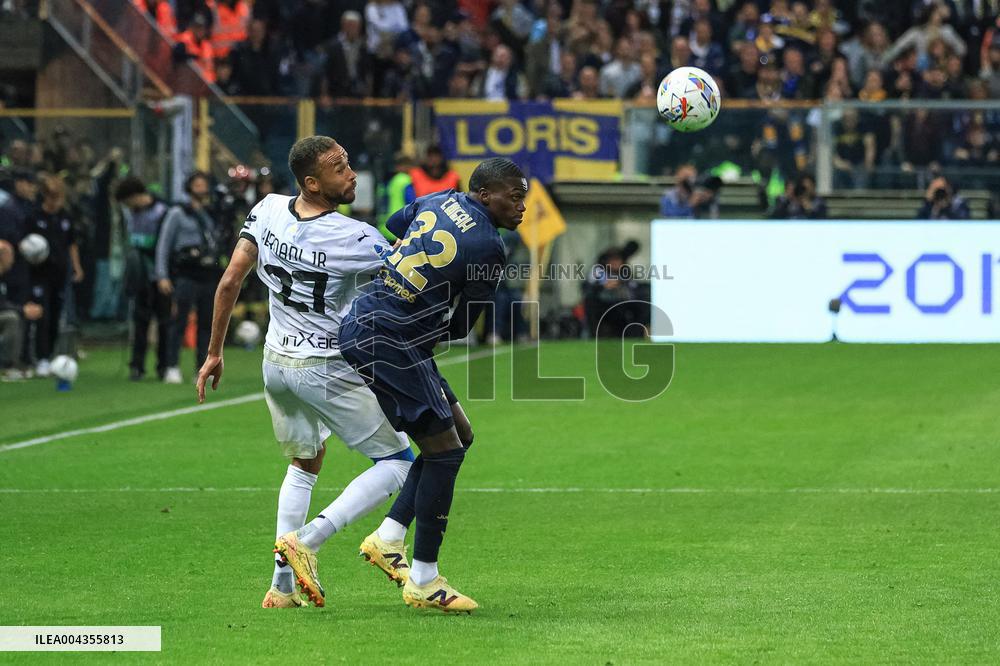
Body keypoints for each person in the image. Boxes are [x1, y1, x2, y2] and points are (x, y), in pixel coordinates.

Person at [194, 135, 414, 608]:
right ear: (312, 183)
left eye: (348, 161)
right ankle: (309, 539)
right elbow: (414, 273)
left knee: (305, 461)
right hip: (326, 367)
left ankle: (281, 587)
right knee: (399, 463)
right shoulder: (354, 236)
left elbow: (231, 278)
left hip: (275, 364)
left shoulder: (269, 208)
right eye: (338, 168)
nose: (351, 173)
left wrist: (214, 351)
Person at [330, 157, 526, 613]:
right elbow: (460, 326)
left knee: (460, 434)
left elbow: (395, 225)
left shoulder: (438, 199)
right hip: (393, 339)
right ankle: (423, 579)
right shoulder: (488, 247)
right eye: (514, 198)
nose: (521, 208)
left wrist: (411, 281)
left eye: (524, 199)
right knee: (446, 451)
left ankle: (389, 537)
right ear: (485, 195)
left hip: (374, 322)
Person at [154, 171, 222, 384]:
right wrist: (162, 274)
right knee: (178, 321)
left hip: (207, 274)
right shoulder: (178, 213)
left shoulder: (210, 213)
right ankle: (171, 365)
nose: (201, 188)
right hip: (186, 273)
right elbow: (164, 244)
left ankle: (201, 368)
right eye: (197, 184)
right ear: (190, 187)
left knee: (205, 323)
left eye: (204, 184)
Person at [115, 176, 172, 381]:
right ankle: (136, 366)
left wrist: (163, 273)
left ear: (135, 196)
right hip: (140, 275)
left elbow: (166, 246)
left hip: (161, 275)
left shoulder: (162, 211)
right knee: (140, 321)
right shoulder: (132, 215)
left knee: (164, 322)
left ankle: (163, 366)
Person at [25, 175, 83, 376]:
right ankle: (40, 358)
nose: (57, 202)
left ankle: (49, 355)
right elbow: (26, 246)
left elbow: (71, 243)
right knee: (43, 315)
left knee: (56, 316)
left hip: (60, 274)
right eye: (53, 198)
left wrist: (76, 266)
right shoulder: (34, 217)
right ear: (46, 197)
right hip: (39, 276)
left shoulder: (65, 217)